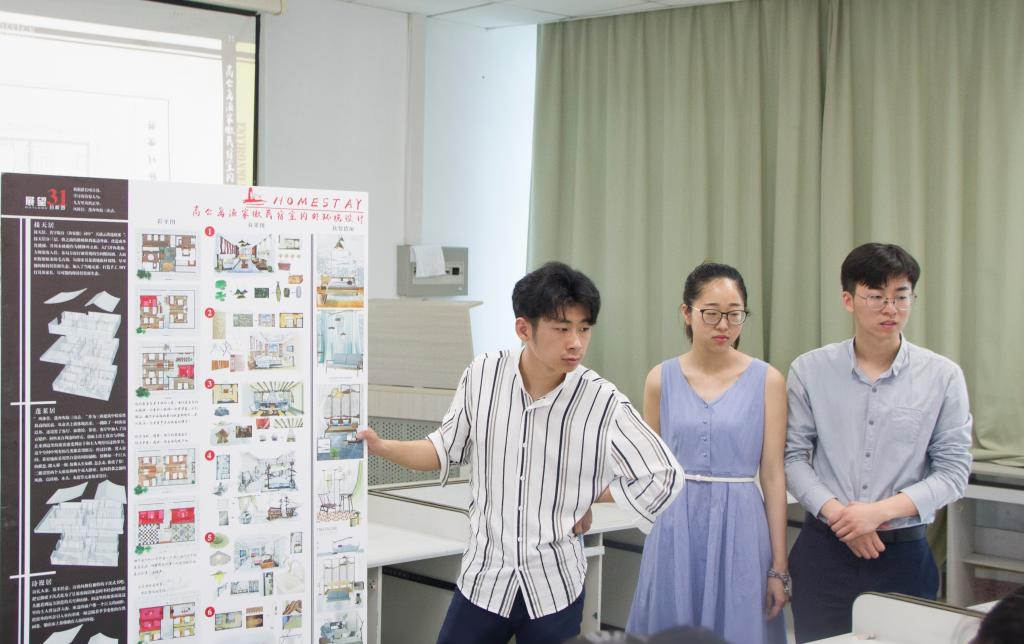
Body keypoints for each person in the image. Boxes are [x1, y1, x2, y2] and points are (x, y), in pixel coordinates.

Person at [357, 262, 684, 644]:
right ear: (524, 329)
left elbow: (665, 475)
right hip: (484, 578)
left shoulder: (601, 400)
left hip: (553, 586)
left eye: (584, 328)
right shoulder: (483, 375)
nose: (576, 342)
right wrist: (382, 447)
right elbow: (443, 448)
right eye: (562, 328)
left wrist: (589, 495)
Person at [785, 242, 973, 642]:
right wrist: (842, 518)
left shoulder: (942, 376)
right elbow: (793, 458)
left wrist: (876, 514)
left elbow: (954, 473)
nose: (891, 309)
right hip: (824, 553)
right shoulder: (810, 370)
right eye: (876, 297)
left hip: (903, 555)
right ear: (848, 300)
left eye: (901, 296)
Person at [627, 262, 788, 644]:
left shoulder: (767, 379)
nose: (723, 326)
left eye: (734, 315)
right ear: (687, 313)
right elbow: (651, 471)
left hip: (741, 528)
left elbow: (773, 474)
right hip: (674, 526)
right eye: (711, 313)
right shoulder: (659, 379)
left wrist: (779, 566)